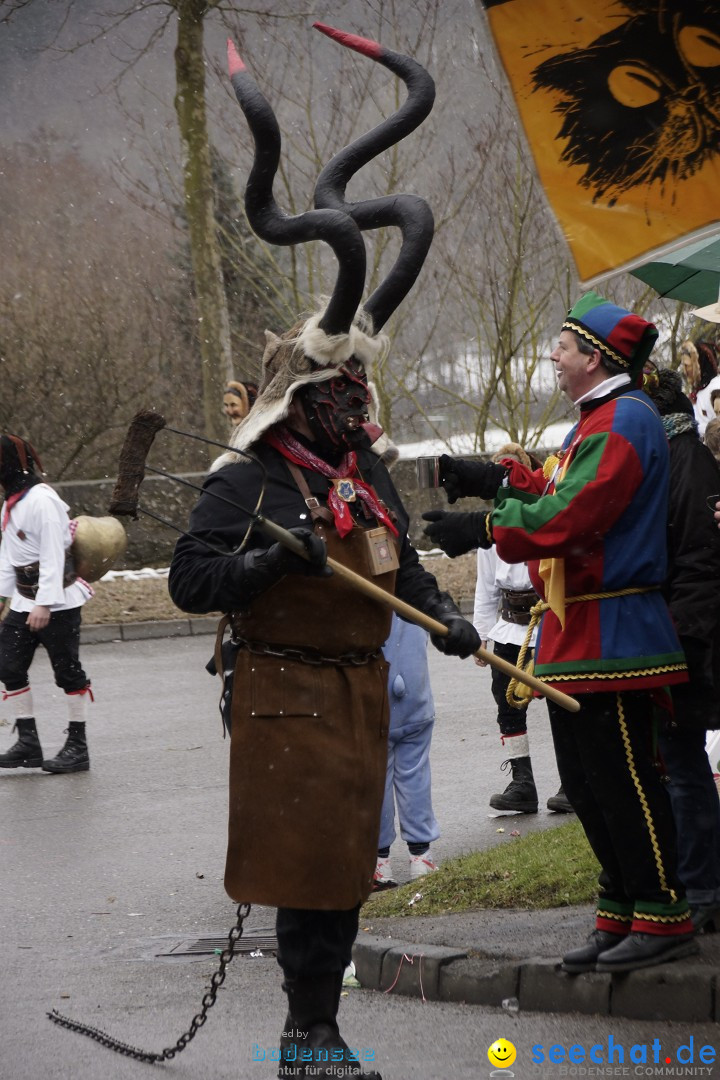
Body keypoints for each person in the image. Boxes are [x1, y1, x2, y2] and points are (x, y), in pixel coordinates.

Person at [170, 29, 479, 1080]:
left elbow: (399, 559)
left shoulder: (366, 473)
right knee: (301, 875)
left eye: (363, 393)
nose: (361, 408)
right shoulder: (244, 481)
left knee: (346, 875)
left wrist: (450, 616)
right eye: (342, 395)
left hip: (357, 699)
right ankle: (307, 1032)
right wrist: (269, 564)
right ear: (303, 396)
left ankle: (323, 1029)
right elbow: (189, 581)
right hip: (282, 698)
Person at [423, 292, 697, 974]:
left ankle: (663, 912)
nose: (554, 355)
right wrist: (494, 479)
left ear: (595, 357)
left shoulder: (625, 420)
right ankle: (623, 907)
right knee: (587, 779)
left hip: (618, 627)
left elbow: (573, 514)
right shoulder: (599, 420)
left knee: (626, 778)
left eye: (565, 347)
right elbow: (553, 484)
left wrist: (485, 527)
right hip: (582, 629)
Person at [644, 366, 720, 932]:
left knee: (684, 765)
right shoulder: (671, 458)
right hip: (675, 634)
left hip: (685, 640)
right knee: (676, 763)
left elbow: (696, 562)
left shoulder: (683, 463)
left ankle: (702, 888)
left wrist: (677, 636)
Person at [473, 446, 570, 815]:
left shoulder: (543, 514)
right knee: (507, 702)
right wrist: (481, 636)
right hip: (510, 628)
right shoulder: (493, 524)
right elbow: (486, 586)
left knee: (561, 701)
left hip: (548, 623)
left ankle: (573, 782)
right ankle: (522, 783)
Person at [0, 434, 94, 773]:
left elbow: (54, 553)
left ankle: (78, 748)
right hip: (25, 601)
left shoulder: (42, 499)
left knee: (67, 672)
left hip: (58, 603)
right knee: (7, 665)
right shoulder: (11, 501)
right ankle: (28, 744)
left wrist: (44, 603)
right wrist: (2, 597)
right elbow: (8, 554)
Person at [373, 615, 440, 890]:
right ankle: (420, 855)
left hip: (375, 701)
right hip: (414, 693)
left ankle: (378, 862)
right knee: (415, 775)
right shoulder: (413, 590)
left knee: (377, 780)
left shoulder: (364, 587)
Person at [678, 339, 719, 435]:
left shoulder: (716, 388)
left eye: (687, 365)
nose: (685, 370)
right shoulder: (697, 393)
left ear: (699, 364)